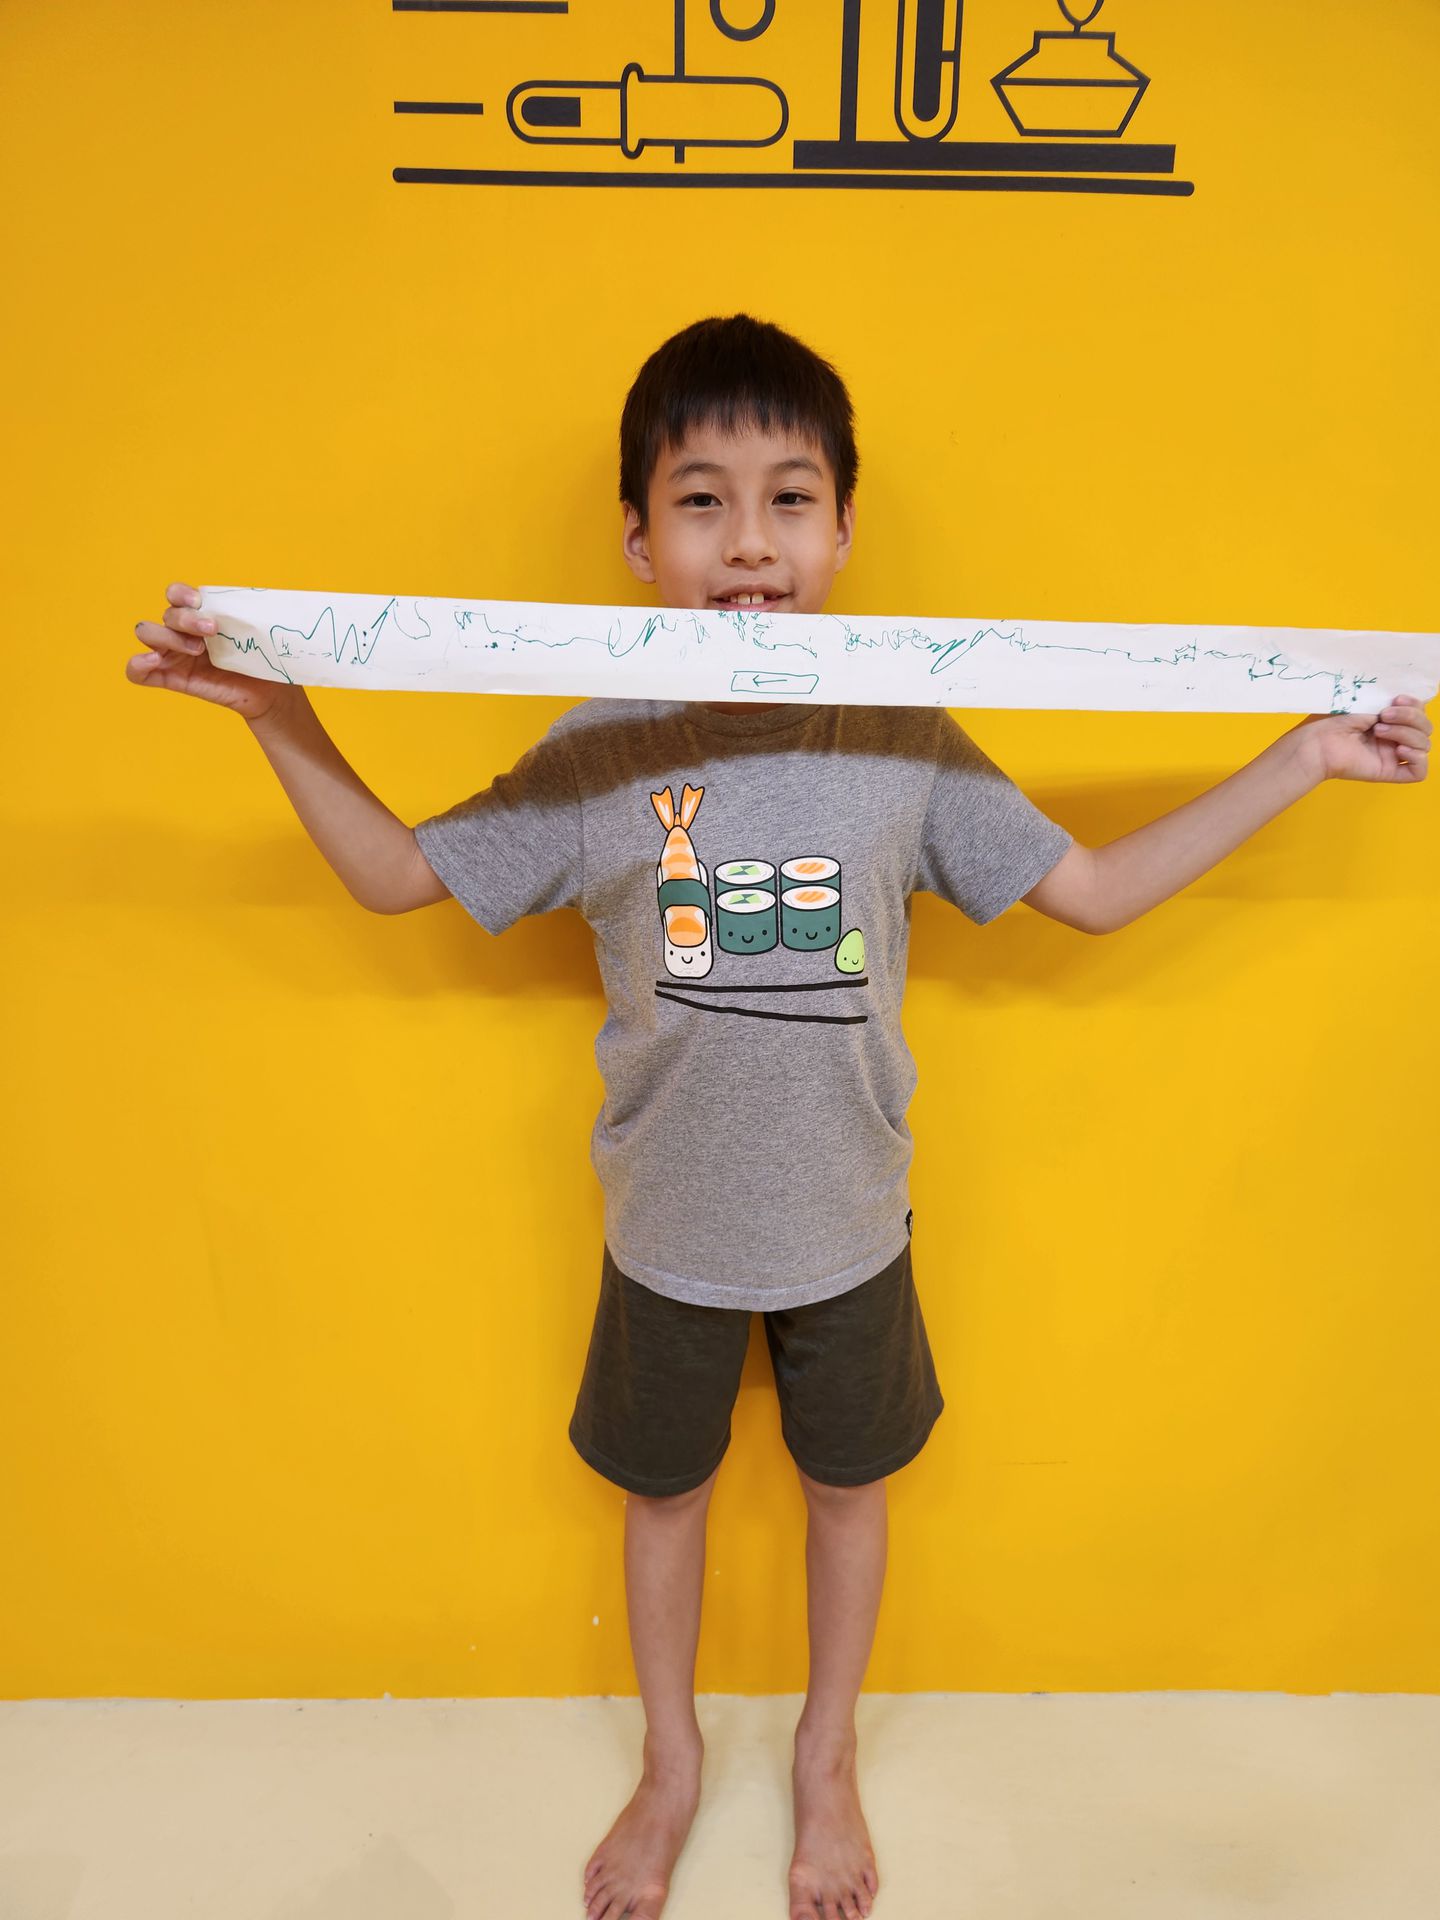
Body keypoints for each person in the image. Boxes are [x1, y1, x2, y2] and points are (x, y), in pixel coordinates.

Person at [128, 313, 1430, 1920]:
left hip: (850, 1231)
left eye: (789, 499)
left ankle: (825, 1752)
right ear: (638, 538)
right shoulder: (603, 748)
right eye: (702, 500)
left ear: (842, 528)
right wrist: (276, 712)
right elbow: (399, 875)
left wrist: (1302, 760)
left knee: (846, 1495)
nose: (748, 541)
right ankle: (672, 1761)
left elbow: (1092, 891)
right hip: (665, 1239)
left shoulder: (898, 736)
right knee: (662, 1498)